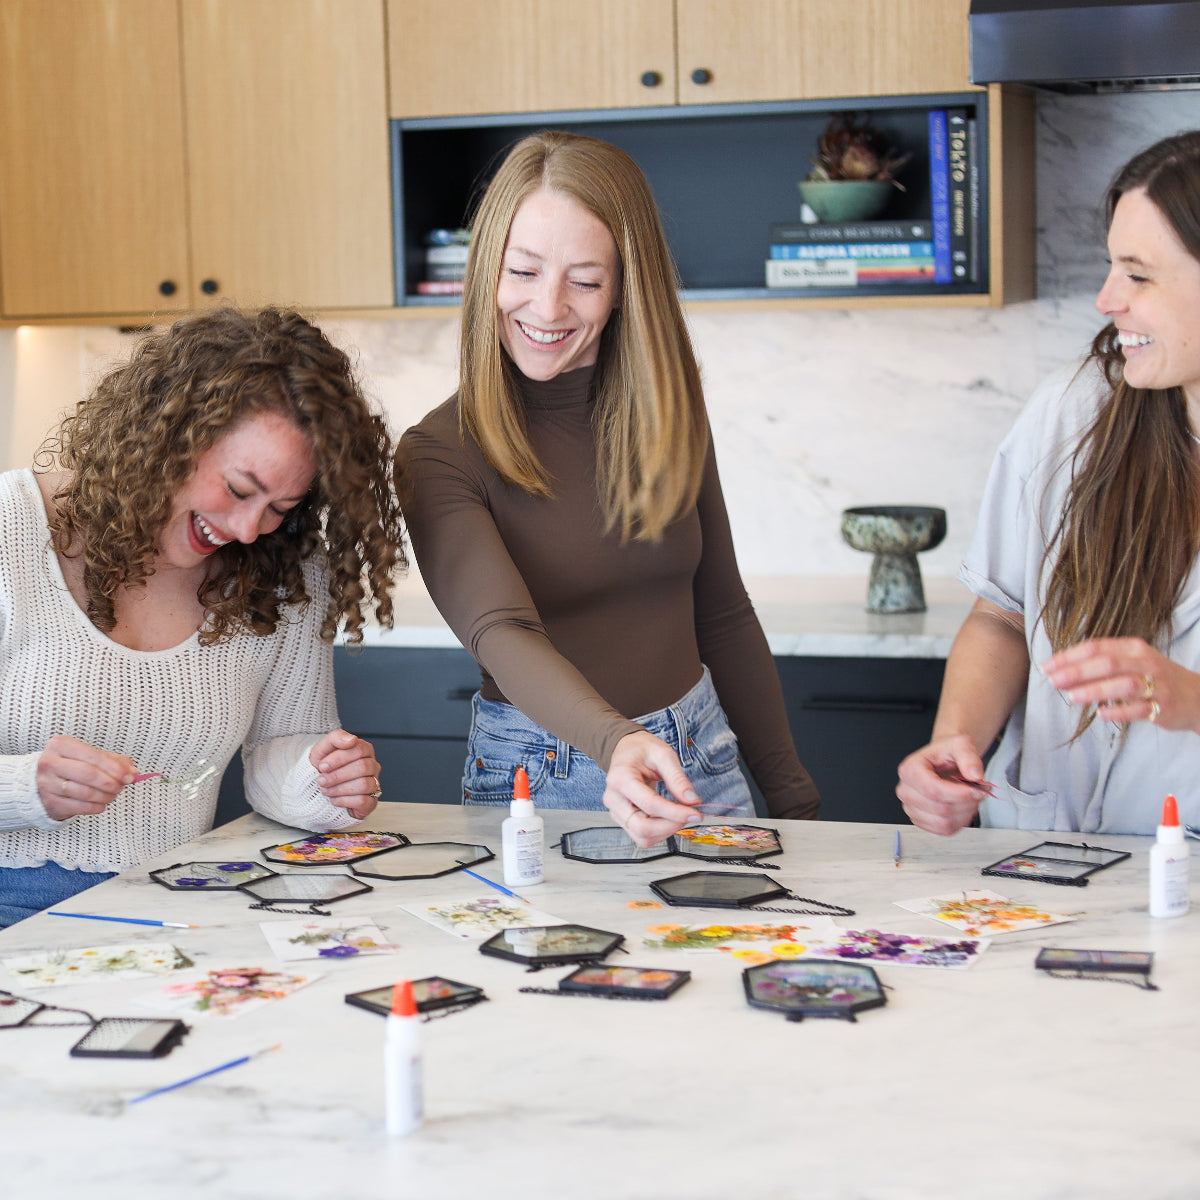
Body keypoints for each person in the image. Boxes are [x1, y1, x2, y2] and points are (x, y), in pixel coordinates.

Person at [396, 130, 819, 848]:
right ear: (485, 269)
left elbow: (721, 611)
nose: (549, 306)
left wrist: (798, 803)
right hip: (550, 775)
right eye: (522, 271)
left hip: (703, 759)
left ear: (626, 287)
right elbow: (502, 632)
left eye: (585, 280)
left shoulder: (668, 409)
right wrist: (615, 741)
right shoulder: (439, 453)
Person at [0, 306, 405, 926]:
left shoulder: (284, 571)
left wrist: (323, 782)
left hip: (178, 899)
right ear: (167, 437)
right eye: (240, 489)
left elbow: (281, 747)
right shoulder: (11, 528)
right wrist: (26, 787)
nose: (247, 529)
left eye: (280, 506)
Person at [897, 130, 1200, 838]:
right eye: (1110, 267)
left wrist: (1191, 700)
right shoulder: (1074, 410)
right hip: (1043, 858)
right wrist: (954, 743)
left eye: (1138, 273)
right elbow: (1001, 614)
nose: (1106, 298)